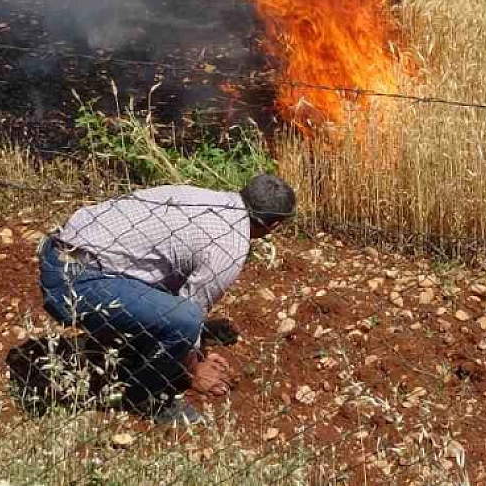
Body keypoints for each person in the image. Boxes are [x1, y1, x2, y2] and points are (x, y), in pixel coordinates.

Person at [37, 173, 296, 426]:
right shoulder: (230, 245)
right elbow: (190, 311)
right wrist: (195, 368)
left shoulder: (208, 198)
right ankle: (146, 397)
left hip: (62, 251)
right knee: (187, 320)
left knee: (180, 315)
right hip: (75, 283)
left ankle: (135, 346)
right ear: (272, 226)